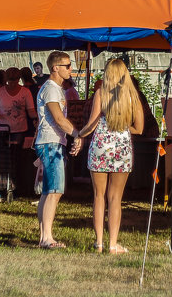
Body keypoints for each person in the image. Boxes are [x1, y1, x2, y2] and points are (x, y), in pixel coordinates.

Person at [71, 58, 145, 254]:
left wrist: (79, 134)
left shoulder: (100, 94)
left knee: (98, 196)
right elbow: (139, 128)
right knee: (115, 198)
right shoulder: (133, 97)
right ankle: (113, 244)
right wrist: (121, 126)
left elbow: (92, 123)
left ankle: (99, 243)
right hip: (122, 147)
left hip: (100, 146)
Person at [34, 51, 80, 249]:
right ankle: (47, 238)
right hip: (51, 142)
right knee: (55, 190)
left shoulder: (55, 89)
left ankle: (45, 235)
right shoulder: (51, 89)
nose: (71, 69)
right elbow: (59, 119)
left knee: (48, 191)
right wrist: (77, 134)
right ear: (55, 68)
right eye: (67, 65)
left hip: (52, 141)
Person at [0, 67, 36, 136]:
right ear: (6, 80)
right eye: (10, 81)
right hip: (2, 129)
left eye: (15, 81)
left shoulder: (26, 92)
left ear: (19, 79)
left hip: (20, 130)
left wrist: (39, 116)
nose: (13, 84)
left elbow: (31, 111)